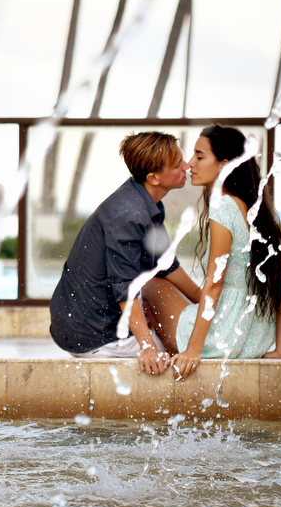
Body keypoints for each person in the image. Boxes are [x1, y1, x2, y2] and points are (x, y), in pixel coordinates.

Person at [141, 124, 281, 380]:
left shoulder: (223, 206)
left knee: (150, 286)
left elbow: (215, 282)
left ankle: (156, 353)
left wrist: (193, 350)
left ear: (223, 164)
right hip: (254, 338)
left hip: (222, 336)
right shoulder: (254, 208)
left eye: (199, 156)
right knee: (184, 297)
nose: (190, 164)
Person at [49, 131, 202, 375]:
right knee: (183, 359)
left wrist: (205, 300)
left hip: (88, 323)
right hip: (92, 334)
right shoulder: (129, 215)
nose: (187, 166)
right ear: (153, 177)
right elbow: (125, 289)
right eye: (177, 164)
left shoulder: (146, 203)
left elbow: (166, 265)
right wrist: (148, 347)